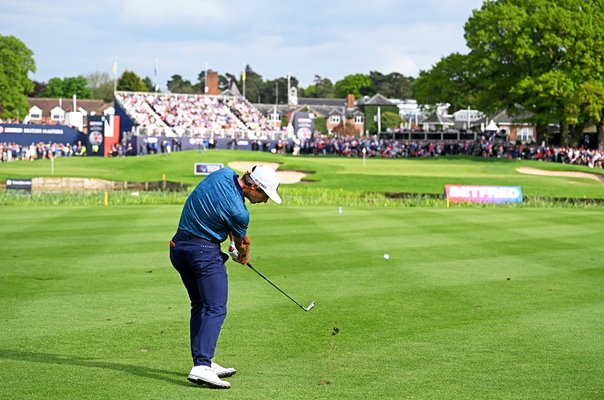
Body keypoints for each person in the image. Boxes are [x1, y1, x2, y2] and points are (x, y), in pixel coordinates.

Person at [169, 165, 282, 389]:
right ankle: (201, 366)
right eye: (265, 195)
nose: (265, 201)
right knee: (216, 307)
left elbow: (221, 213)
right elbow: (241, 244)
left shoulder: (223, 173)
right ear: (255, 187)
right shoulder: (240, 213)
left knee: (200, 305)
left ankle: (204, 361)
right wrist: (242, 255)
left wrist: (232, 241)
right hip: (203, 254)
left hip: (178, 247)